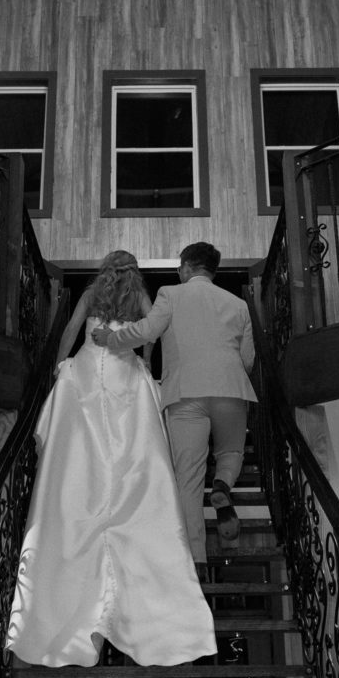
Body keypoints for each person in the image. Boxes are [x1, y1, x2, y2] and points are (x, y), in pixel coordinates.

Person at [6, 250, 216, 668]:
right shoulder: (141, 294)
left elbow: (68, 330)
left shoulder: (90, 293)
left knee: (82, 447)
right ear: (133, 270)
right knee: (130, 448)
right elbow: (151, 334)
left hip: (87, 369)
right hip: (124, 368)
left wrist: (60, 363)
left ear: (104, 268)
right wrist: (145, 361)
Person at [93, 242, 257, 581]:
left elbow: (146, 331)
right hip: (231, 390)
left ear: (184, 268)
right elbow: (248, 358)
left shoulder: (171, 294)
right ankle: (224, 483)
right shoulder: (238, 304)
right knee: (231, 451)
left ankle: (195, 559)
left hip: (185, 395)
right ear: (214, 270)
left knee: (189, 480)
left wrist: (111, 338)